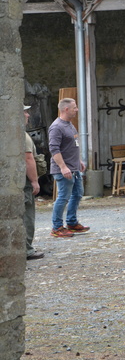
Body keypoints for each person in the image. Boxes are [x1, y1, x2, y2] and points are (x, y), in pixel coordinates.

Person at [49, 98, 89, 238]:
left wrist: (78, 162)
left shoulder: (69, 125)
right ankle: (57, 227)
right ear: (66, 109)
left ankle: (72, 222)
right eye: (74, 107)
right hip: (64, 170)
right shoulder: (56, 127)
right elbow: (54, 149)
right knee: (63, 197)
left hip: (74, 168)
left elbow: (72, 146)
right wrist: (63, 167)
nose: (77, 110)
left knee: (77, 194)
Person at [23, 106, 44, 259]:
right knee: (27, 216)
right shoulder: (22, 136)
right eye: (24, 112)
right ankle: (27, 250)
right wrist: (35, 181)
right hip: (24, 183)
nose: (27, 114)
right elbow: (28, 159)